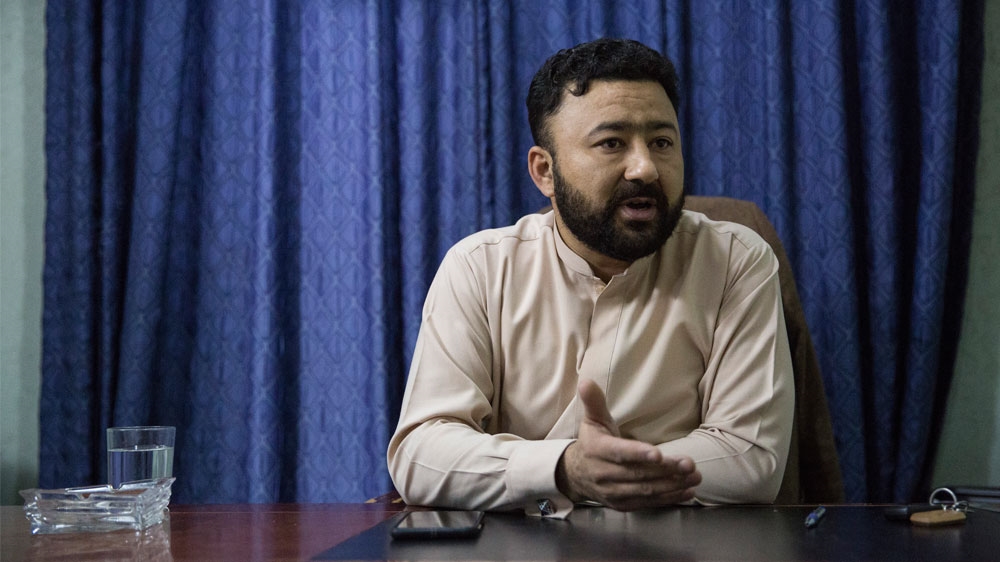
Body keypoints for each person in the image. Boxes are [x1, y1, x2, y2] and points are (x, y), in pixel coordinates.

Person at [386, 38, 794, 519]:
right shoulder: (479, 267)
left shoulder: (735, 261)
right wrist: (564, 468)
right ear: (546, 171)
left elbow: (752, 458)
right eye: (611, 143)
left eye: (662, 142)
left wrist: (613, 472)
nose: (645, 168)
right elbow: (420, 453)